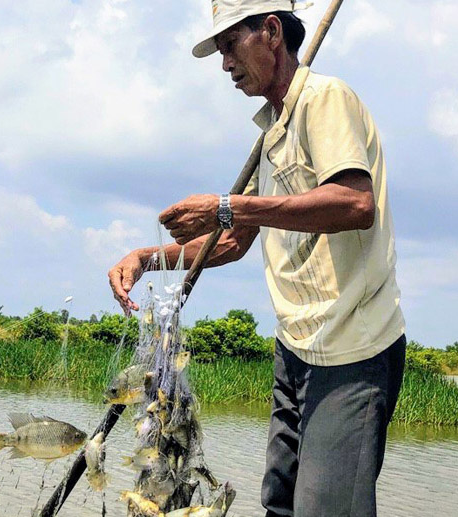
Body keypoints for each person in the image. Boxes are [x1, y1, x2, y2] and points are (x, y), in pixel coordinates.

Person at [108, 1, 406, 515]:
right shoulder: (271, 132)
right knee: (280, 503)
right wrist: (147, 258)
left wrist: (228, 205)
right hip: (294, 348)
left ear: (271, 32)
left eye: (230, 46)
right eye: (221, 51)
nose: (225, 64)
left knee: (325, 509)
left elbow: (355, 204)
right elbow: (233, 240)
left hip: (352, 350)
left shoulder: (324, 99)